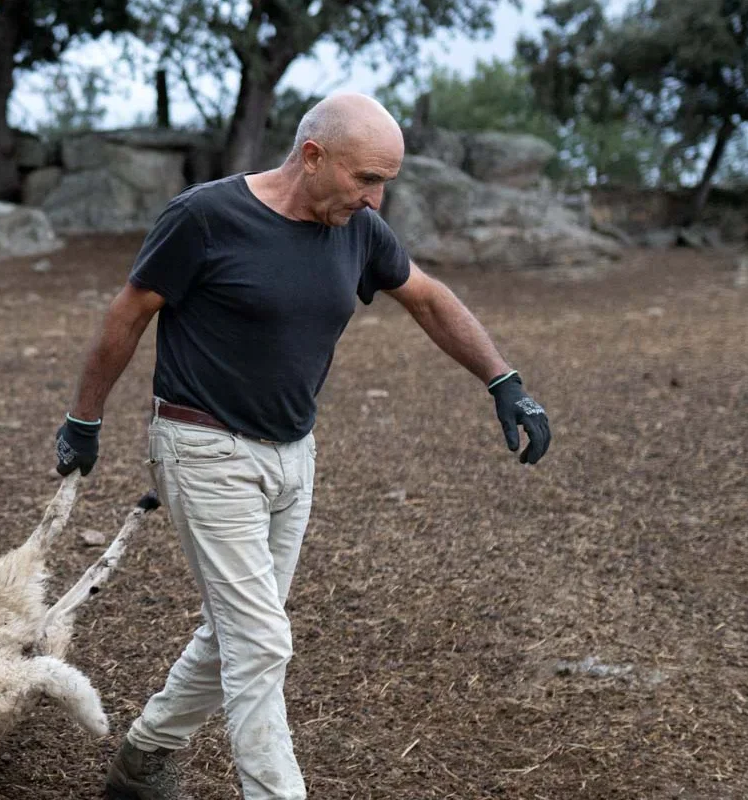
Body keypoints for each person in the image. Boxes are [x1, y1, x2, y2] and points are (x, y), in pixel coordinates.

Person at [51, 91, 552, 800]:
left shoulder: (356, 228)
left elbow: (429, 298)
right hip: (202, 447)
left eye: (385, 183)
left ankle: (145, 755)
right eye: (365, 179)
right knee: (260, 643)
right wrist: (85, 418)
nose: (375, 199)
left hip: (293, 453)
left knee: (236, 633)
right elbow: (127, 312)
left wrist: (503, 380)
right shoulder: (204, 217)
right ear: (312, 157)